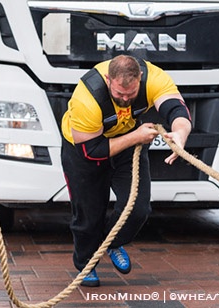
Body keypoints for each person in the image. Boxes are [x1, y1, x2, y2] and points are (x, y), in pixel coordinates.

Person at [61, 55, 192, 287]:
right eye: (119, 93)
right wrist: (136, 136)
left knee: (138, 208)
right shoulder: (87, 98)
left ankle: (113, 242)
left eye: (130, 94)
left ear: (140, 78)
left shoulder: (154, 78)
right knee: (88, 216)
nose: (124, 99)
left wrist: (180, 134)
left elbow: (176, 109)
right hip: (85, 150)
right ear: (108, 79)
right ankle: (85, 264)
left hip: (129, 145)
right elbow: (92, 151)